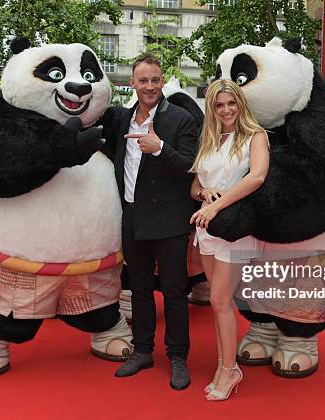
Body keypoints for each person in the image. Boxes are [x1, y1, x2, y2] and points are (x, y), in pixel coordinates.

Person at [105, 54, 198, 390]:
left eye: (155, 80)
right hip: (132, 215)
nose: (149, 87)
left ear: (162, 82)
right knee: (139, 287)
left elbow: (191, 165)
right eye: (143, 80)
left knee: (174, 291)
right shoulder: (123, 120)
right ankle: (143, 350)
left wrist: (159, 148)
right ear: (133, 83)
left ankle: (177, 357)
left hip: (170, 218)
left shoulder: (181, 120)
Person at [189, 79, 269, 401]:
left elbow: (258, 176)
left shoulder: (255, 136)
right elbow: (194, 186)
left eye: (231, 103)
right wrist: (205, 193)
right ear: (212, 107)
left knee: (220, 299)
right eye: (219, 104)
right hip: (207, 229)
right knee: (217, 301)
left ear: (241, 104)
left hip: (235, 229)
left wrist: (218, 204)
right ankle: (226, 366)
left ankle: (228, 369)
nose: (226, 110)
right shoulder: (209, 139)